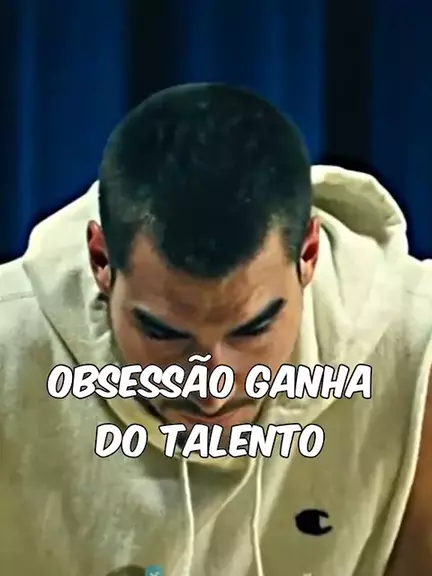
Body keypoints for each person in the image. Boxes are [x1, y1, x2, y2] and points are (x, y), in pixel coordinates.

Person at [0, 83, 431, 576]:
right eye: (165, 334)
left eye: (252, 330)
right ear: (101, 261)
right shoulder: (9, 342)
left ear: (307, 255)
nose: (211, 391)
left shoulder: (417, 346)